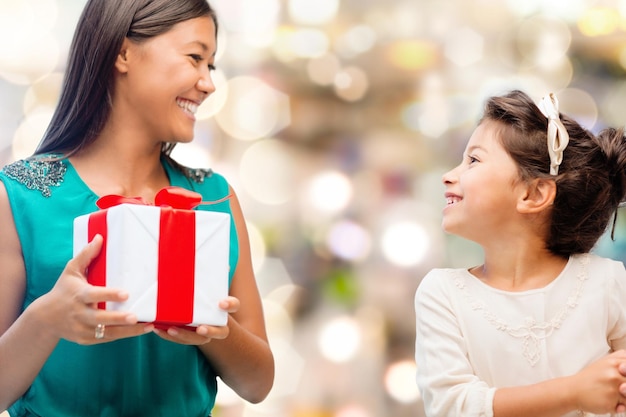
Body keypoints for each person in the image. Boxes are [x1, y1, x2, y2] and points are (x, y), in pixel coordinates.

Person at [0, 0, 274, 416]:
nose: (208, 83)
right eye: (195, 58)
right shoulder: (20, 197)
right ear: (123, 53)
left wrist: (215, 331)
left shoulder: (216, 199)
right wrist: (47, 319)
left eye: (211, 66)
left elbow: (258, 385)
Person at [414, 89, 626, 417]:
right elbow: (451, 406)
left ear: (533, 193)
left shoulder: (609, 284)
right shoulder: (442, 294)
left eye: (473, 160)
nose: (448, 175)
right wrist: (574, 392)